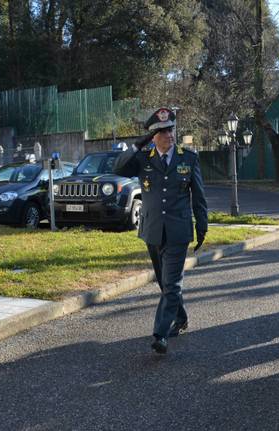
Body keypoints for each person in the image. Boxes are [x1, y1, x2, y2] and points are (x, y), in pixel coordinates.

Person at [113, 107, 208, 355]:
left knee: (172, 282)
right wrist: (137, 145)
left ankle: (161, 333)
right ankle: (181, 317)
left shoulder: (188, 158)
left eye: (171, 129)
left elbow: (198, 197)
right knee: (164, 283)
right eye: (163, 131)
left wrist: (203, 225)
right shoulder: (144, 158)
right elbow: (118, 168)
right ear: (153, 136)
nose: (169, 135)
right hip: (152, 230)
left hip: (178, 230)